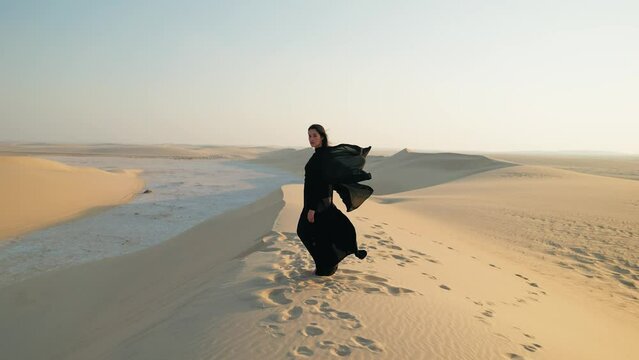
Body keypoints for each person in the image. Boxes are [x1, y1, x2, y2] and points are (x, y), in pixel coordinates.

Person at [296, 124, 373, 276]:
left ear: (322, 137)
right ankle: (326, 266)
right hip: (318, 201)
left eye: (314, 136)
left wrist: (313, 208)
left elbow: (323, 183)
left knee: (304, 231)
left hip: (317, 203)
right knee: (321, 233)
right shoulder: (321, 154)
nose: (311, 139)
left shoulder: (322, 156)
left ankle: (327, 265)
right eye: (309, 136)